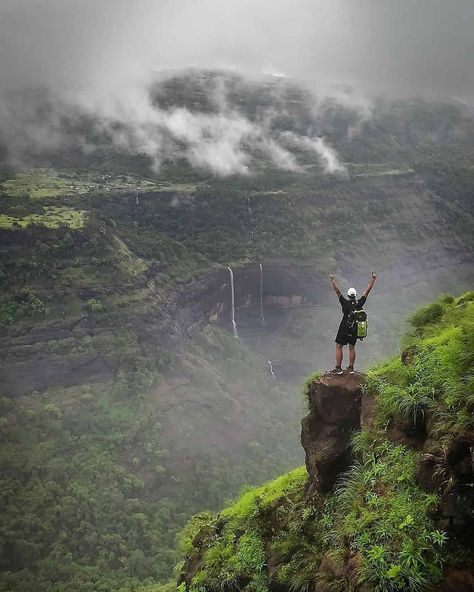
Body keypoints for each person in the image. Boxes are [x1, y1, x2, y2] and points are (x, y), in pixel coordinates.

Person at [328, 272, 377, 374]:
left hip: (344, 327)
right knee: (352, 347)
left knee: (339, 346)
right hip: (355, 328)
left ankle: (338, 368)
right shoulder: (360, 303)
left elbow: (337, 291)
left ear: (348, 295)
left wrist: (332, 279)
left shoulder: (344, 303)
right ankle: (351, 368)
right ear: (355, 295)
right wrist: (373, 279)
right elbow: (367, 291)